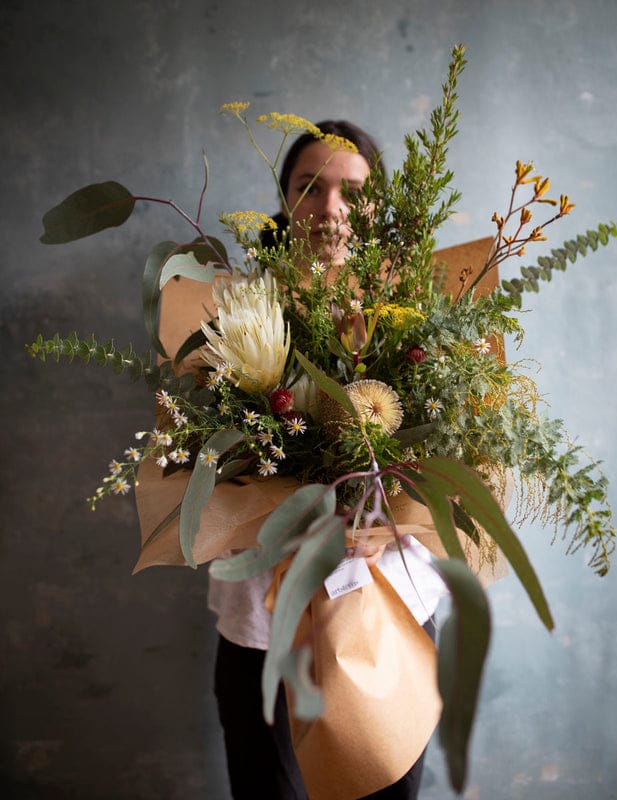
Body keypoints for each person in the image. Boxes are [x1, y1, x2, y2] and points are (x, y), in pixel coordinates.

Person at [208, 120, 447, 800]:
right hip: (262, 622)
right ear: (285, 202)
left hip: (390, 606)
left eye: (352, 189)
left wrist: (393, 517)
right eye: (311, 186)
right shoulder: (235, 315)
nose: (331, 207)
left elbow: (456, 457)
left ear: (381, 206)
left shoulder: (427, 311)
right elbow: (205, 458)